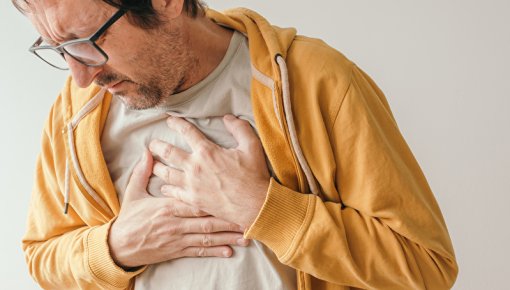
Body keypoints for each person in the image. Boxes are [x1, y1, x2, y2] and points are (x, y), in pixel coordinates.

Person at [15, 0, 459, 289]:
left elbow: (425, 268)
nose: (81, 75)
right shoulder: (77, 114)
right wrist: (114, 247)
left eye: (90, 42)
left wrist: (264, 209)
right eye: (60, 48)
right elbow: (42, 256)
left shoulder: (316, 80)